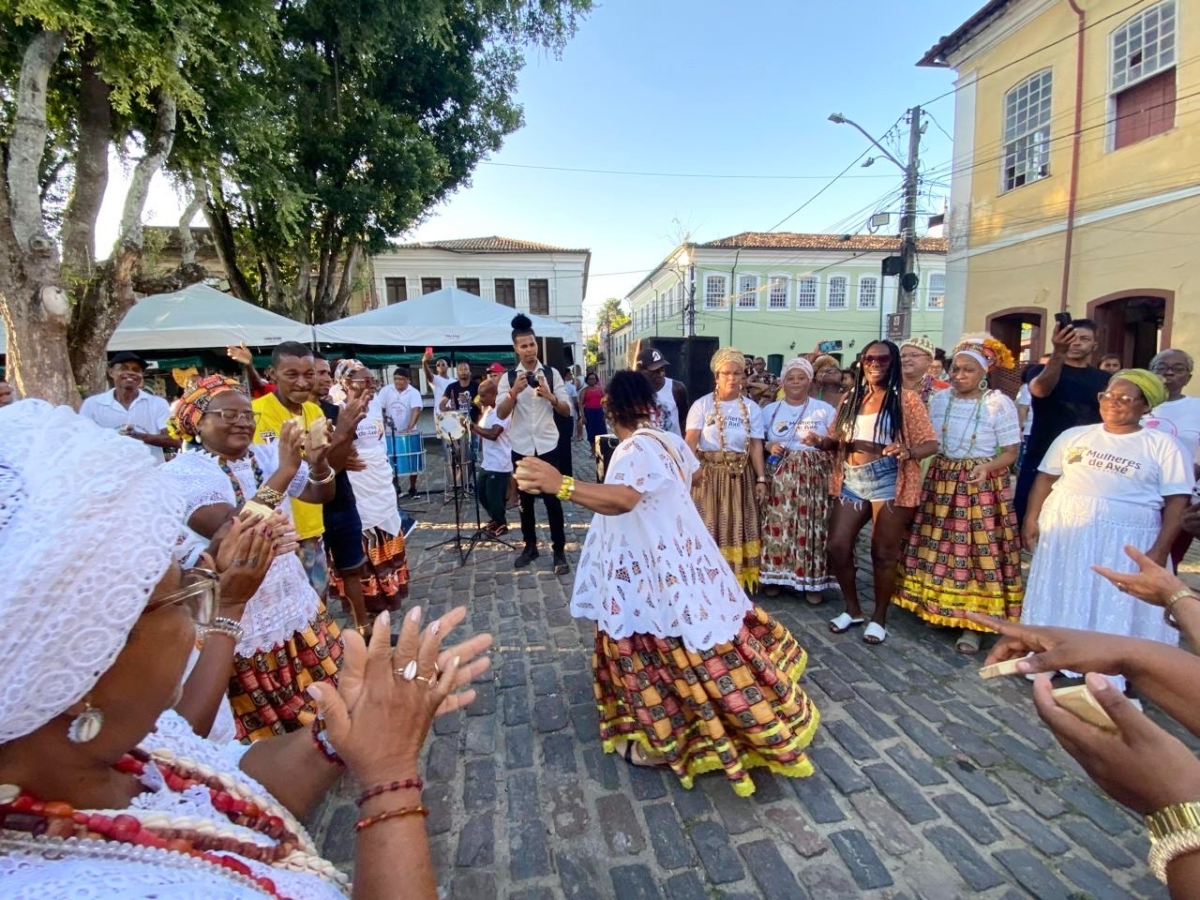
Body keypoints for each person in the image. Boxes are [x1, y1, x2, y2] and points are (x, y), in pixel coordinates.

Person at [0, 399, 493, 900]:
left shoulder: (129, 746)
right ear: (78, 675)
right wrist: (388, 776)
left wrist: (343, 730)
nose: (199, 603)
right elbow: (237, 526)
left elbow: (224, 782)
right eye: (183, 593)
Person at [513, 371, 820, 796]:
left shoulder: (634, 447)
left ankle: (666, 740)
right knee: (691, 641)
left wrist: (560, 484)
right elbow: (695, 476)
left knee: (657, 644)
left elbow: (623, 499)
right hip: (672, 558)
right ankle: (704, 720)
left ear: (609, 408)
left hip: (652, 569)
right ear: (649, 405)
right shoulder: (667, 440)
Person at [164, 375, 346, 741]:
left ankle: (324, 746)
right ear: (197, 422)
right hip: (240, 617)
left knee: (322, 698)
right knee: (268, 726)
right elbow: (233, 527)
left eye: (248, 415)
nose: (242, 422)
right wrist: (285, 470)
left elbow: (319, 494)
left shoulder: (262, 456)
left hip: (290, 598)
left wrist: (318, 463)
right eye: (228, 414)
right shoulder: (184, 472)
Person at [1021, 369, 1192, 667]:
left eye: (1124, 398)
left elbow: (1177, 501)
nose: (1113, 402)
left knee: (1116, 599)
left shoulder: (1163, 445)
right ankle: (1054, 656)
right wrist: (1031, 519)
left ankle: (1112, 667)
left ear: (1146, 406)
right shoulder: (1075, 436)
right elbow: (1046, 478)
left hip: (1126, 539)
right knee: (1065, 589)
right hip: (1068, 532)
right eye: (1108, 396)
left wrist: (1160, 550)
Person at [894, 336, 1024, 654]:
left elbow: (1011, 452)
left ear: (984, 373)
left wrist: (986, 467)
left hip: (981, 485)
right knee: (938, 546)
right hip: (942, 478)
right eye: (955, 369)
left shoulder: (998, 404)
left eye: (968, 370)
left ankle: (974, 624)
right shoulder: (940, 400)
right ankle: (941, 608)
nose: (959, 375)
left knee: (975, 553)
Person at [821, 340, 939, 645]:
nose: (875, 363)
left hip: (888, 479)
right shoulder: (852, 398)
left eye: (883, 359)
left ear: (894, 362)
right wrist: (821, 442)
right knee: (836, 546)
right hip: (852, 479)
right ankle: (852, 609)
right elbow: (835, 437)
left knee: (882, 552)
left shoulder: (906, 399)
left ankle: (879, 617)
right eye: (869, 358)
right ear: (861, 362)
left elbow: (930, 443)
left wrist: (908, 451)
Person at [329, 360, 411, 620]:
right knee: (363, 540)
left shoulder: (374, 405)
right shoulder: (335, 409)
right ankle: (366, 607)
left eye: (372, 380)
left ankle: (386, 597)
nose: (371, 385)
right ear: (345, 382)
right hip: (356, 484)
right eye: (364, 380)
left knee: (386, 532)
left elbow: (378, 443)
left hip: (379, 480)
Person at [495, 314, 573, 574]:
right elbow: (501, 414)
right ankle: (530, 546)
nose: (529, 350)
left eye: (532, 344)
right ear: (516, 348)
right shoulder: (508, 378)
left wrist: (550, 396)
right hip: (521, 446)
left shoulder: (551, 374)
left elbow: (566, 411)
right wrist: (513, 392)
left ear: (537, 344)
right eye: (523, 346)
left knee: (553, 500)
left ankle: (559, 550)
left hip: (548, 446)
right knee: (525, 502)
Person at [252, 341, 331, 597]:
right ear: (272, 374)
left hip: (311, 525)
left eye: (309, 374)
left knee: (318, 600)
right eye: (292, 375)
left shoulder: (314, 410)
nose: (302, 383)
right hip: (275, 533)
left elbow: (320, 467)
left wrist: (321, 457)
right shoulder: (255, 414)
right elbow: (261, 473)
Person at [684, 348, 766, 591]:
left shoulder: (751, 408)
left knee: (737, 523)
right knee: (709, 524)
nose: (732, 378)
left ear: (743, 376)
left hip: (740, 475)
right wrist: (691, 471)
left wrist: (761, 479)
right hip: (708, 475)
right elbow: (689, 442)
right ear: (716, 376)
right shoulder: (702, 405)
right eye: (726, 373)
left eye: (737, 373)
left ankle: (736, 580)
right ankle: (706, 577)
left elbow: (756, 446)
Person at [757, 357, 838, 604]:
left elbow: (837, 441)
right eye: (790, 378)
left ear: (809, 380)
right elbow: (757, 441)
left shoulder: (824, 409)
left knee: (812, 525)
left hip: (815, 476)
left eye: (801, 378)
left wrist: (820, 442)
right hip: (781, 475)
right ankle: (775, 577)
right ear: (782, 381)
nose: (795, 382)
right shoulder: (770, 410)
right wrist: (770, 445)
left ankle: (812, 581)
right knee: (778, 524)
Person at [1014, 318, 1108, 526]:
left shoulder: (1105, 379)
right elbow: (1040, 390)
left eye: (1084, 338)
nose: (1077, 342)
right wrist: (1059, 352)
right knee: (1027, 518)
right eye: (1072, 338)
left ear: (1095, 345)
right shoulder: (1039, 370)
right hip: (1041, 454)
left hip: (1086, 461)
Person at [311, 355, 373, 637]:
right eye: (318, 373)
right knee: (316, 580)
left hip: (342, 500)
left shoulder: (336, 412)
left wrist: (332, 456)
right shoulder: (291, 415)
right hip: (310, 507)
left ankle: (363, 629)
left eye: (327, 373)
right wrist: (334, 456)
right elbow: (319, 462)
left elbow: (348, 456)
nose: (325, 378)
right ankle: (320, 639)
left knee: (352, 569)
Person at [1145, 349, 1200, 567]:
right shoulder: (1137, 403)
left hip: (1180, 494)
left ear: (1188, 377)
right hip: (1138, 492)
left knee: (1168, 559)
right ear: (1151, 372)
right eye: (1162, 367)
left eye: (1178, 369)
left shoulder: (1196, 407)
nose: (1169, 373)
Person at [79, 351, 180, 464]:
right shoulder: (93, 404)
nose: (131, 373)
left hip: (149, 471)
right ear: (111, 372)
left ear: (142, 375)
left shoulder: (158, 403)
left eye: (136, 370)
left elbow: (175, 440)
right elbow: (82, 439)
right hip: (108, 471)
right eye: (123, 368)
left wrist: (140, 436)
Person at [472, 377, 513, 535]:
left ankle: (501, 523)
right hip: (488, 461)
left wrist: (473, 427)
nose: (480, 399)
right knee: (482, 493)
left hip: (500, 462)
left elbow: (494, 434)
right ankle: (495, 519)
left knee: (494, 496)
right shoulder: (488, 410)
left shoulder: (503, 411)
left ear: (494, 395)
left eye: (483, 396)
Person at [377, 367, 425, 498]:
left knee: (412, 460)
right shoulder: (386, 390)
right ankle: (396, 487)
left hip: (409, 432)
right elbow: (379, 408)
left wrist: (409, 428)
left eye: (401, 379)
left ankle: (413, 487)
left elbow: (416, 410)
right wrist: (383, 423)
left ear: (408, 380)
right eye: (396, 379)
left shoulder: (413, 392)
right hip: (389, 433)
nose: (398, 382)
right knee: (392, 460)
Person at [636, 346, 689, 437]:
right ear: (642, 371)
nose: (662, 374)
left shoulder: (676, 389)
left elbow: (684, 421)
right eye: (655, 371)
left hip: (672, 444)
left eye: (662, 369)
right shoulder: (633, 392)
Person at [898, 335, 949, 408]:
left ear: (929, 360)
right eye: (903, 356)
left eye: (914, 355)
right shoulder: (888, 385)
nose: (906, 359)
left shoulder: (944, 389)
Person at [555, 366, 577, 477]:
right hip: (564, 417)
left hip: (565, 416)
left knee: (564, 447)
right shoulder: (570, 387)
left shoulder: (569, 386)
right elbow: (575, 401)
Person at [580, 371, 607, 446]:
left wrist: (606, 412)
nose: (592, 380)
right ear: (587, 380)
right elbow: (580, 404)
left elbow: (605, 401)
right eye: (590, 379)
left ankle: (601, 449)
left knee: (602, 433)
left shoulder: (600, 389)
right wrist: (583, 416)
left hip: (599, 413)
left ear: (596, 380)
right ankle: (593, 449)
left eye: (593, 378)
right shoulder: (584, 391)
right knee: (591, 433)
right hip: (589, 413)